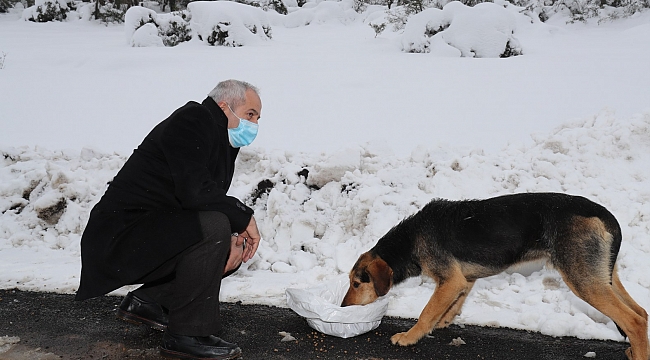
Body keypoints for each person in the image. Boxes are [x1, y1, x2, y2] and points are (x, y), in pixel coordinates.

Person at [75, 79, 263, 360]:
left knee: (223, 239)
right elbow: (196, 193)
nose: (255, 124)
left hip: (152, 231)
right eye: (250, 114)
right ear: (225, 105)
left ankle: (149, 302)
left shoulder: (218, 138)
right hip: (121, 234)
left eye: (258, 118)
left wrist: (232, 237)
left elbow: (201, 201)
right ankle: (187, 334)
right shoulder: (191, 120)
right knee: (215, 228)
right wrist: (243, 218)